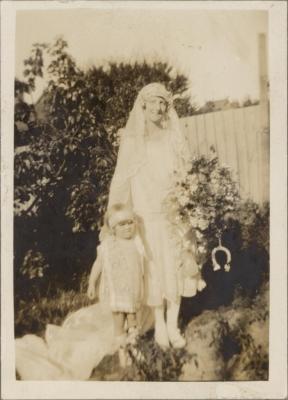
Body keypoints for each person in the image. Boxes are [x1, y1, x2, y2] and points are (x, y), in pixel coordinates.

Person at [107, 82, 193, 349]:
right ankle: (159, 325)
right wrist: (114, 214)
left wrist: (188, 199)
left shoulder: (173, 138)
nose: (158, 107)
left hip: (172, 213)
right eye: (153, 102)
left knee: (176, 266)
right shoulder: (133, 141)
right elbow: (121, 180)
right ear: (142, 106)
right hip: (146, 215)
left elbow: (186, 174)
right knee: (154, 270)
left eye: (163, 103)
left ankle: (174, 324)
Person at [87, 203, 145, 367]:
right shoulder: (107, 246)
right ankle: (122, 353)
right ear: (113, 228)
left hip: (132, 289)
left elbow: (144, 265)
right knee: (119, 322)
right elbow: (98, 264)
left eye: (130, 223)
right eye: (122, 224)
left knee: (133, 321)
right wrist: (92, 283)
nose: (127, 228)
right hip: (116, 291)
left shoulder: (136, 243)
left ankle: (134, 347)